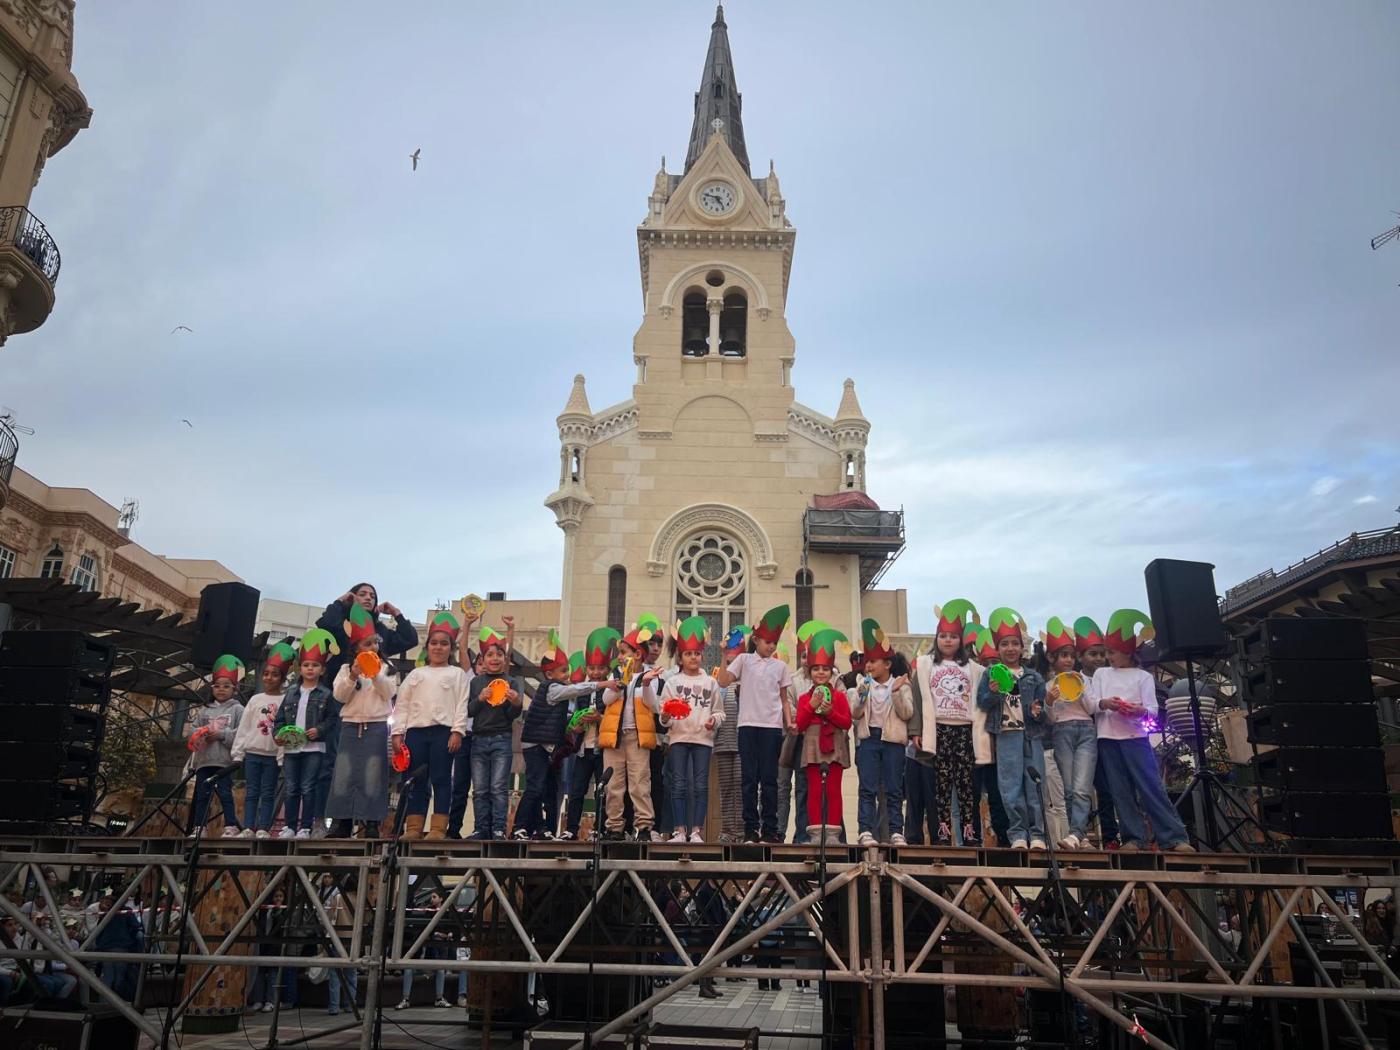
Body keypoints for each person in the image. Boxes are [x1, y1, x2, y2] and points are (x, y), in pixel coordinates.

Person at [312, 583, 419, 828]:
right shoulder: (341, 625)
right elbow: (324, 624)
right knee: (337, 765)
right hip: (344, 706)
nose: (368, 598)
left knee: (373, 771)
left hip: (375, 715)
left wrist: (397, 614)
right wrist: (341, 602)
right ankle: (331, 821)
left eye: (372, 595)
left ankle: (369, 822)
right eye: (362, 594)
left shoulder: (381, 635)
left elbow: (409, 639)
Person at [1091, 609, 1194, 853]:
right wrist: (1105, 703)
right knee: (1120, 791)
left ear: (1127, 652)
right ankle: (1134, 838)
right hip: (1107, 738)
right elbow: (1092, 702)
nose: (1108, 657)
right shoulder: (1101, 674)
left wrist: (1138, 711)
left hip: (1136, 737)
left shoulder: (1143, 677)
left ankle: (1173, 838)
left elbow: (1153, 711)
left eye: (1112, 652)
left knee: (1151, 787)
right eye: (1107, 652)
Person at [516, 630, 612, 840]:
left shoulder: (561, 689)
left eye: (567, 670)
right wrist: (603, 684)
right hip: (541, 746)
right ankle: (521, 827)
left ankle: (545, 828)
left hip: (560, 747)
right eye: (562, 671)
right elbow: (576, 691)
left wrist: (575, 726)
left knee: (548, 789)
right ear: (550, 674)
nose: (566, 675)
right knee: (539, 788)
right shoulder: (553, 688)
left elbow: (562, 722)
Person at [715, 605, 795, 844]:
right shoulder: (744, 659)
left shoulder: (780, 666)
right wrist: (724, 655)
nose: (770, 646)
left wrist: (789, 722)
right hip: (747, 725)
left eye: (774, 643)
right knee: (749, 779)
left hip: (772, 728)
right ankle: (751, 829)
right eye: (767, 642)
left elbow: (784, 699)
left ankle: (770, 829)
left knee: (770, 780)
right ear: (756, 640)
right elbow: (723, 681)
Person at [910, 600, 984, 846]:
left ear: (961, 640)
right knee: (941, 784)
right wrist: (916, 731)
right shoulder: (926, 664)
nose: (948, 641)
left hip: (964, 730)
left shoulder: (973, 668)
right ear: (936, 638)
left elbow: (982, 699)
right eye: (943, 636)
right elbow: (917, 699)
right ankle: (942, 832)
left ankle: (970, 833)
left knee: (966, 784)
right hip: (938, 729)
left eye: (953, 636)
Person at [394, 611, 471, 841]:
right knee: (416, 779)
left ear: (451, 648)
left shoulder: (457, 674)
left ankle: (438, 828)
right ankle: (413, 827)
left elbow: (462, 704)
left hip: (443, 732)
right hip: (415, 733)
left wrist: (457, 731)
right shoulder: (416, 674)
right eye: (434, 643)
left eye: (444, 643)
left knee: (441, 778)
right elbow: (402, 704)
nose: (438, 647)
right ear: (427, 647)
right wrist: (397, 732)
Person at [976, 608, 1048, 850]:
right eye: (1005, 644)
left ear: (1022, 647)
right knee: (1010, 786)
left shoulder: (1033, 677)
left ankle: (1037, 834)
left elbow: (1043, 712)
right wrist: (994, 693)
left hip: (1031, 736)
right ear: (998, 648)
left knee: (1034, 784)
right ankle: (1017, 833)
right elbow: (982, 702)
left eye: (1015, 644)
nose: (1010, 648)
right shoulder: (990, 674)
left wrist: (1038, 712)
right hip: (1006, 735)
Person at [651, 616, 723, 843]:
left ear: (702, 656)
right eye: (688, 654)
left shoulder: (710, 682)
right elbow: (664, 714)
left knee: (700, 786)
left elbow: (719, 712)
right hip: (678, 740)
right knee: (678, 785)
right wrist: (665, 718)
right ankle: (680, 831)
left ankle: (696, 831)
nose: (693, 657)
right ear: (680, 657)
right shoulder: (673, 682)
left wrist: (713, 720)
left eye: (697, 653)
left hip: (703, 741)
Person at [329, 604, 398, 838]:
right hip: (350, 725)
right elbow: (339, 696)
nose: (374, 647)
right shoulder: (345, 669)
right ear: (356, 648)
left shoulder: (388, 668)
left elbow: (389, 693)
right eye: (368, 644)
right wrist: (353, 675)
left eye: (376, 643)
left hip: (376, 726)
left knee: (373, 773)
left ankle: (371, 823)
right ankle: (341, 822)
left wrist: (375, 673)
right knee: (344, 772)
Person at [599, 616, 664, 841]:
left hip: (637, 737)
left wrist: (645, 684)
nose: (619, 657)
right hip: (614, 738)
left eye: (623, 652)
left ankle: (644, 826)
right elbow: (606, 700)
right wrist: (619, 684)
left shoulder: (649, 676)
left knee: (639, 783)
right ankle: (614, 827)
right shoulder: (615, 675)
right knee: (614, 784)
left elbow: (652, 705)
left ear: (637, 654)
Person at [850, 619, 914, 847]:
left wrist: (896, 693)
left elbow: (907, 713)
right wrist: (862, 695)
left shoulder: (901, 684)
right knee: (867, 787)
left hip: (892, 740)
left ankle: (896, 831)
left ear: (887, 664)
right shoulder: (862, 683)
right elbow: (855, 713)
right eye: (867, 662)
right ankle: (865, 830)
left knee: (893, 788)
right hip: (869, 739)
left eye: (873, 661)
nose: (868, 666)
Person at [461, 624, 524, 839]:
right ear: (482, 659)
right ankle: (481, 828)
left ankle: (498, 828)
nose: (495, 658)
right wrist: (480, 699)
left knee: (498, 787)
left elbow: (512, 715)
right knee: (479, 789)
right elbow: (468, 711)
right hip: (478, 739)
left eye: (499, 654)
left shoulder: (511, 682)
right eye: (490, 655)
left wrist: (516, 703)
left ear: (505, 659)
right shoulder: (476, 682)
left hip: (502, 738)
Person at [276, 630, 338, 839]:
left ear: (322, 669)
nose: (310, 669)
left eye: (315, 665)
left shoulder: (326, 694)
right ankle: (289, 826)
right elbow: (280, 719)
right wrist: (278, 734)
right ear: (300, 668)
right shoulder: (291, 693)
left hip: (314, 748)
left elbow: (332, 719)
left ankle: (305, 827)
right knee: (291, 787)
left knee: (308, 787)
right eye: (306, 665)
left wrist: (319, 730)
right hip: (292, 747)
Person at [561, 628, 621, 840]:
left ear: (608, 669)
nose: (596, 672)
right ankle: (571, 828)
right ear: (587, 668)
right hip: (582, 748)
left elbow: (614, 719)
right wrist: (576, 725)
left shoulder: (610, 691)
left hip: (602, 748)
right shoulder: (582, 690)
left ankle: (600, 828)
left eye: (600, 668)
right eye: (592, 668)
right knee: (577, 790)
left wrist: (600, 718)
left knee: (601, 790)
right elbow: (573, 718)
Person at [233, 642, 297, 839]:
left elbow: (286, 730)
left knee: (268, 792)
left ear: (283, 678)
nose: (269, 678)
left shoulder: (286, 699)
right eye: (266, 674)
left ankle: (263, 827)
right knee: (251, 792)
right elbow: (244, 727)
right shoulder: (255, 700)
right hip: (253, 752)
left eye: (275, 674)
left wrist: (282, 755)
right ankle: (248, 827)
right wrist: (238, 752)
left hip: (272, 754)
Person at [1043, 617, 1098, 850]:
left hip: (1086, 730)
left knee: (1082, 787)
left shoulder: (1083, 678)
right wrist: (1048, 702)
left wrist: (1080, 689)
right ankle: (1079, 836)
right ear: (1051, 658)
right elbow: (1051, 719)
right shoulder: (1049, 685)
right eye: (1063, 655)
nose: (1068, 660)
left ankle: (1076, 834)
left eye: (1071, 656)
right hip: (1061, 732)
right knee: (1068, 788)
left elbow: (1092, 709)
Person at [795, 629, 853, 845]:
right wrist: (811, 706)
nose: (821, 673)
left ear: (832, 671)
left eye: (825, 669)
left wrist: (830, 713)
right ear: (810, 671)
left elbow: (846, 723)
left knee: (833, 790)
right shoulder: (804, 698)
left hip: (835, 744)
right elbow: (800, 725)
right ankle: (815, 834)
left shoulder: (839, 696)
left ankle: (833, 835)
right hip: (812, 744)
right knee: (814, 790)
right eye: (816, 669)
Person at [185, 654, 246, 838]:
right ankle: (199, 826)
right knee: (202, 794)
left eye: (226, 686)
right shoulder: (205, 710)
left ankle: (230, 825)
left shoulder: (238, 709)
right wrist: (202, 734)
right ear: (212, 688)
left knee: (225, 793)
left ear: (234, 689)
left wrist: (221, 735)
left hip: (224, 761)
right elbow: (192, 731)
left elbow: (242, 733)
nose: (221, 690)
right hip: (204, 760)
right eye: (217, 686)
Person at [1075, 617, 1119, 849]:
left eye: (1102, 654)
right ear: (1080, 657)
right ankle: (1079, 834)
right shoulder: (1075, 679)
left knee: (1107, 789)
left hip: (1108, 739)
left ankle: (1111, 837)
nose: (1099, 659)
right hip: (1082, 739)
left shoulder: (1112, 678)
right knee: (1080, 789)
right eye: (1093, 654)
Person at [778, 623, 824, 844]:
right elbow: (791, 710)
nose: (807, 661)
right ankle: (801, 835)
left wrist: (813, 713)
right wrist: (813, 710)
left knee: (822, 789)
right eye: (804, 656)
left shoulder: (830, 677)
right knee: (801, 788)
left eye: (810, 656)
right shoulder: (793, 680)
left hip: (824, 740)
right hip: (800, 740)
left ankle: (821, 833)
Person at [396, 890, 468, 1009]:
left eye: (434, 897)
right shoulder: (428, 912)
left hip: (436, 952)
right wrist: (436, 933)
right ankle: (406, 999)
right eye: (432, 897)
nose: (431, 899)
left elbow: (452, 932)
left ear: (441, 899)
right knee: (409, 968)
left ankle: (439, 998)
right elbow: (424, 931)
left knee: (440, 967)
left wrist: (443, 934)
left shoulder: (448, 913)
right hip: (427, 952)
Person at [712, 626, 748, 844]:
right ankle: (727, 830)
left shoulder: (747, 682)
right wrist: (724, 654)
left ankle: (741, 831)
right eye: (729, 661)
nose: (732, 665)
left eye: (735, 661)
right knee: (726, 788)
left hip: (742, 742)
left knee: (740, 786)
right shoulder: (721, 684)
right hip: (724, 742)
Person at [248, 885, 296, 1013]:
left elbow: (281, 924)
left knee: (273, 974)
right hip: (263, 943)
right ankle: (258, 1000)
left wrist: (278, 910)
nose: (278, 899)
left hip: (275, 945)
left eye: (280, 896)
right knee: (260, 973)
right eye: (276, 896)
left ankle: (270, 1001)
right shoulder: (265, 910)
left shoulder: (283, 911)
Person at [320, 874, 359, 1015]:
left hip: (338, 938)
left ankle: (334, 1007)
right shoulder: (360, 899)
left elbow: (330, 916)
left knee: (335, 974)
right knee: (351, 974)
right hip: (354, 940)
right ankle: (350, 1005)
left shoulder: (338, 898)